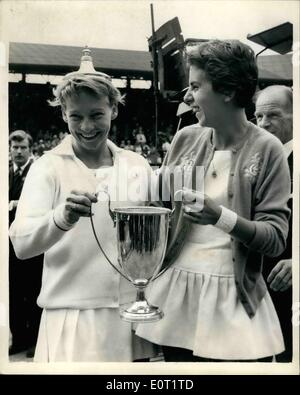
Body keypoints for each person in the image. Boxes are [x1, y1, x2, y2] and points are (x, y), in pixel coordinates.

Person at [136, 39, 291, 362]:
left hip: (235, 301)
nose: (188, 96)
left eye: (195, 86)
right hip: (176, 295)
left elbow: (275, 239)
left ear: (228, 91)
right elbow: (159, 206)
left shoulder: (269, 148)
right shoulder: (185, 137)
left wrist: (219, 216)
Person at [9, 74, 156, 362]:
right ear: (64, 114)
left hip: (131, 317)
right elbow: (21, 244)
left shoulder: (137, 164)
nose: (87, 127)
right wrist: (60, 218)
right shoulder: (46, 167)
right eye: (76, 116)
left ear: (113, 109)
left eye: (97, 114)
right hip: (72, 320)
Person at [254, 85, 293, 362]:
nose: (264, 124)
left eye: (273, 116)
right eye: (258, 117)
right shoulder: (260, 159)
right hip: (260, 284)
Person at [9, 130, 43, 357]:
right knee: (13, 291)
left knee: (32, 290)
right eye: (15, 147)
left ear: (31, 149)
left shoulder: (37, 172)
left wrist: (16, 203)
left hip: (31, 240)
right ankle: (19, 338)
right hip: (8, 243)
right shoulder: (6, 172)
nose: (18, 151)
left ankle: (35, 341)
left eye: (23, 148)